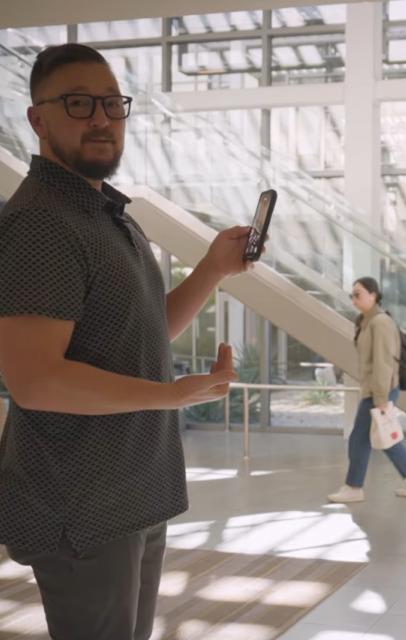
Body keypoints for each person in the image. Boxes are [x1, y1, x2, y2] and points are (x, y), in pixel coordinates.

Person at [0, 43, 260, 640]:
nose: (100, 117)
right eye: (78, 103)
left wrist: (214, 269)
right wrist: (173, 396)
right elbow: (35, 381)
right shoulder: (43, 222)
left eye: (112, 103)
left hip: (130, 490)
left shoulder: (105, 213)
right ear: (38, 119)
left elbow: (141, 332)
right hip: (81, 504)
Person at [327, 277, 406, 503]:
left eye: (358, 294)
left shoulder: (380, 322)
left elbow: (383, 362)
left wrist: (380, 398)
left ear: (373, 295)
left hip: (379, 390)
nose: (353, 299)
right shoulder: (365, 321)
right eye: (352, 295)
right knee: (385, 436)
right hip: (375, 389)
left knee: (359, 440)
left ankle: (354, 487)